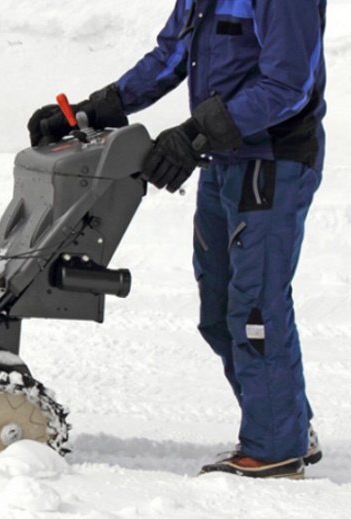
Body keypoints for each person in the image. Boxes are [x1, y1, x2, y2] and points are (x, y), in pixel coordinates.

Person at [28, 0, 327, 479]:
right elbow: (170, 56)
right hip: (223, 156)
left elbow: (288, 85)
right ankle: (287, 423)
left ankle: (275, 448)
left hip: (272, 161)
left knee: (254, 305)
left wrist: (192, 135)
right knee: (218, 309)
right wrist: (90, 112)